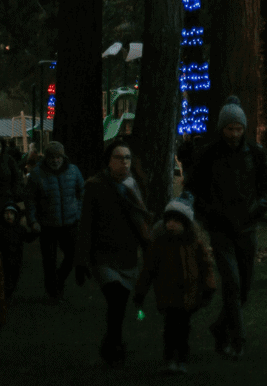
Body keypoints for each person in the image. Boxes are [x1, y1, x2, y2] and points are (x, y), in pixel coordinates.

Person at [189, 96, 267, 359]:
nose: (235, 134)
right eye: (230, 129)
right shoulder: (208, 155)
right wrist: (207, 215)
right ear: (222, 128)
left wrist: (257, 209)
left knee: (244, 289)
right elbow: (194, 189)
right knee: (232, 284)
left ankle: (220, 327)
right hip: (220, 229)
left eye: (239, 129)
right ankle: (237, 339)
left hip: (247, 227)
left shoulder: (255, 153)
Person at [76, 140, 152, 367]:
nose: (124, 162)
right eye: (119, 157)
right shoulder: (96, 186)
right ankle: (114, 344)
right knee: (115, 297)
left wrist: (149, 249)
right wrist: (82, 260)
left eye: (127, 157)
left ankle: (112, 342)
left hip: (127, 254)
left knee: (120, 304)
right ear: (109, 161)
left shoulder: (134, 186)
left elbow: (140, 222)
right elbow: (86, 224)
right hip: (103, 255)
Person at [132, 199, 217, 374]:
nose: (171, 224)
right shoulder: (160, 245)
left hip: (188, 294)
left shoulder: (194, 244)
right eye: (169, 220)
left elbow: (206, 266)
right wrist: (140, 291)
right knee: (171, 327)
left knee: (183, 327)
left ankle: (181, 359)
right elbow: (148, 270)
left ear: (185, 224)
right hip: (168, 294)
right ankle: (171, 358)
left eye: (176, 221)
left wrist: (208, 287)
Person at [25, 141, 84, 301]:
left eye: (58, 157)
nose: (55, 160)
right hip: (47, 225)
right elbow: (30, 199)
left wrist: (78, 212)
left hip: (70, 222)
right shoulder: (37, 174)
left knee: (73, 255)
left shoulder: (73, 171)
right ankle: (53, 292)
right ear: (46, 157)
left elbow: (82, 192)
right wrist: (33, 221)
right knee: (49, 260)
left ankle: (59, 278)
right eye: (52, 157)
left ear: (63, 157)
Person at [1, 201, 38, 301]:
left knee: (14, 277)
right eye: (6, 213)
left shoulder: (20, 229)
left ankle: (8, 295)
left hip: (16, 259)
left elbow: (28, 238)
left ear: (16, 215)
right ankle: (5, 296)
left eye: (11, 213)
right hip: (4, 259)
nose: (9, 216)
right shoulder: (2, 230)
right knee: (5, 278)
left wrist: (35, 233)